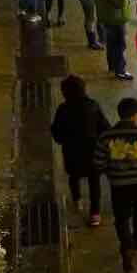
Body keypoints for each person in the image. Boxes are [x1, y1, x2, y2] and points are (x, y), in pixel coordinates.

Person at [92, 97, 137, 273]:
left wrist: (111, 171)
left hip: (118, 184)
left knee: (121, 218)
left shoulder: (106, 137)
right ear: (136, 115)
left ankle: (126, 246)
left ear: (119, 114)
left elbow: (98, 163)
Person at [51, 75, 110, 226]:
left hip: (72, 151)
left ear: (65, 93)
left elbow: (57, 133)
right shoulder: (93, 106)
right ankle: (95, 213)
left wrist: (64, 140)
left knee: (73, 176)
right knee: (94, 181)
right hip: (92, 151)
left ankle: (77, 199)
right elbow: (105, 127)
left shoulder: (63, 109)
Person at [94, 0, 135, 80]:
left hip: (108, 17)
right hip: (116, 19)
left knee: (111, 44)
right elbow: (121, 3)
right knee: (119, 45)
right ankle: (120, 71)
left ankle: (112, 66)